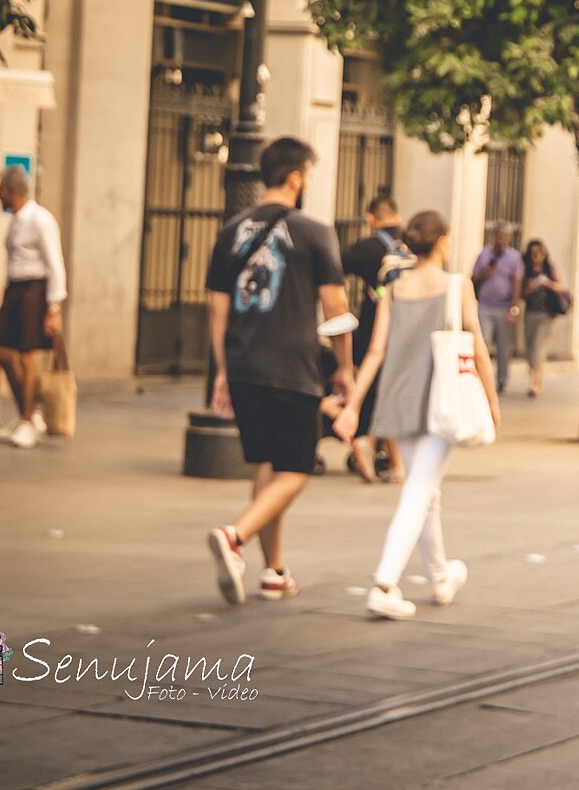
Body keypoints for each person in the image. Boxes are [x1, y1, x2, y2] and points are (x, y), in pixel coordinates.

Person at [201, 139, 353, 603]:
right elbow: (337, 306)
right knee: (296, 469)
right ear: (295, 177)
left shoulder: (230, 231)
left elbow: (217, 308)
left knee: (269, 463)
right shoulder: (314, 231)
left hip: (245, 366)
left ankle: (274, 571)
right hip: (293, 368)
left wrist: (223, 372)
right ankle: (235, 536)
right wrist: (344, 367)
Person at [336, 209, 498, 619]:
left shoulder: (394, 288)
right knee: (419, 490)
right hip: (440, 400)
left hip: (397, 399)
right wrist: (493, 403)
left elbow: (375, 351)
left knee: (425, 490)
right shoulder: (457, 285)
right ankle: (384, 584)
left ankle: (441, 575)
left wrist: (354, 405)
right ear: (443, 241)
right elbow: (477, 346)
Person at [342, 195, 415, 482]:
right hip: (410, 328)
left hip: (375, 327)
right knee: (393, 391)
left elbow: (334, 269)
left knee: (377, 387)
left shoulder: (367, 248)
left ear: (371, 218)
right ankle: (381, 449)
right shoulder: (415, 243)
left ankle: (370, 441)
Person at [0, 165, 66, 449]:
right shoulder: (15, 221)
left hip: (35, 290)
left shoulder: (40, 219)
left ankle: (26, 420)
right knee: (5, 354)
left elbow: (55, 264)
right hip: (15, 290)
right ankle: (30, 413)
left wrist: (53, 308)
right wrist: (2, 303)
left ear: (10, 190)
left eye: (0, 188)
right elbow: (12, 263)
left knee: (27, 356)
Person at [470, 221, 524, 395]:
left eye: (505, 236)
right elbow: (473, 278)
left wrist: (513, 309)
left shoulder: (514, 257)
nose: (501, 239)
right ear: (494, 236)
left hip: (504, 308)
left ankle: (501, 380)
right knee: (483, 343)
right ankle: (481, 378)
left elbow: (516, 283)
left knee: (503, 347)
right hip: (485, 306)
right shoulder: (484, 254)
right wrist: (485, 273)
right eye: (499, 236)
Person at [519, 239, 569, 398]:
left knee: (538, 347)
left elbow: (562, 287)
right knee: (530, 347)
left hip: (547, 314)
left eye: (540, 252)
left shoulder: (551, 269)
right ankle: (534, 378)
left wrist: (547, 284)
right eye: (533, 253)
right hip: (530, 313)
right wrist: (532, 286)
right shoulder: (526, 271)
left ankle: (535, 382)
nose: (537, 256)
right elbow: (521, 294)